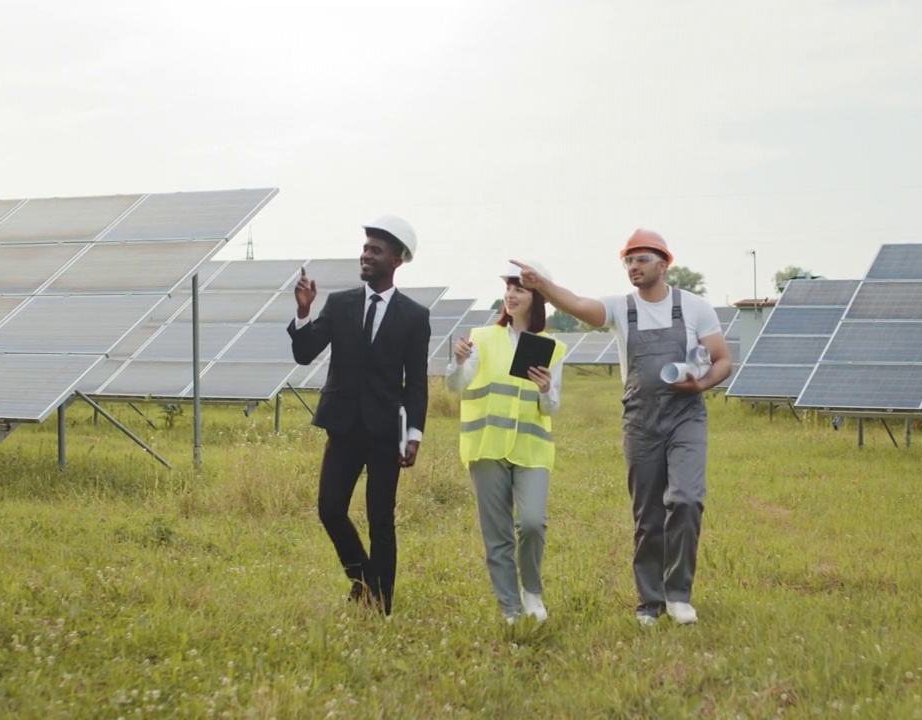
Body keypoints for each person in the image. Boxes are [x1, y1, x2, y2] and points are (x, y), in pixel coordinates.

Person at [510, 229, 731, 626]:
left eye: (642, 259)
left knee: (685, 499)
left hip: (685, 415)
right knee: (646, 514)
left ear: (664, 264)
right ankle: (650, 601)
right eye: (628, 261)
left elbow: (721, 361)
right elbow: (578, 304)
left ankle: (678, 594)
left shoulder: (695, 308)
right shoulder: (619, 309)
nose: (633, 267)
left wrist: (699, 383)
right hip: (640, 420)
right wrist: (543, 284)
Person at [288, 215, 431, 618]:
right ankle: (364, 580)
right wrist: (303, 313)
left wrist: (413, 434)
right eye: (365, 248)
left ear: (397, 260)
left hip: (387, 432)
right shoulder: (340, 303)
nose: (366, 255)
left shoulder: (414, 316)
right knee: (330, 509)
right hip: (344, 426)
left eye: (376, 250)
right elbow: (304, 354)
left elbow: (416, 383)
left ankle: (381, 604)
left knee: (380, 520)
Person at [445, 262, 568, 624]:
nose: (511, 295)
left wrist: (546, 389)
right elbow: (458, 386)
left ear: (537, 297)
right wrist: (457, 363)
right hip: (486, 447)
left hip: (531, 449)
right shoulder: (481, 338)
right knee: (497, 534)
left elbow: (553, 406)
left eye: (521, 289)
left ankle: (531, 590)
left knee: (531, 523)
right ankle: (510, 609)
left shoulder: (552, 347)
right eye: (509, 288)